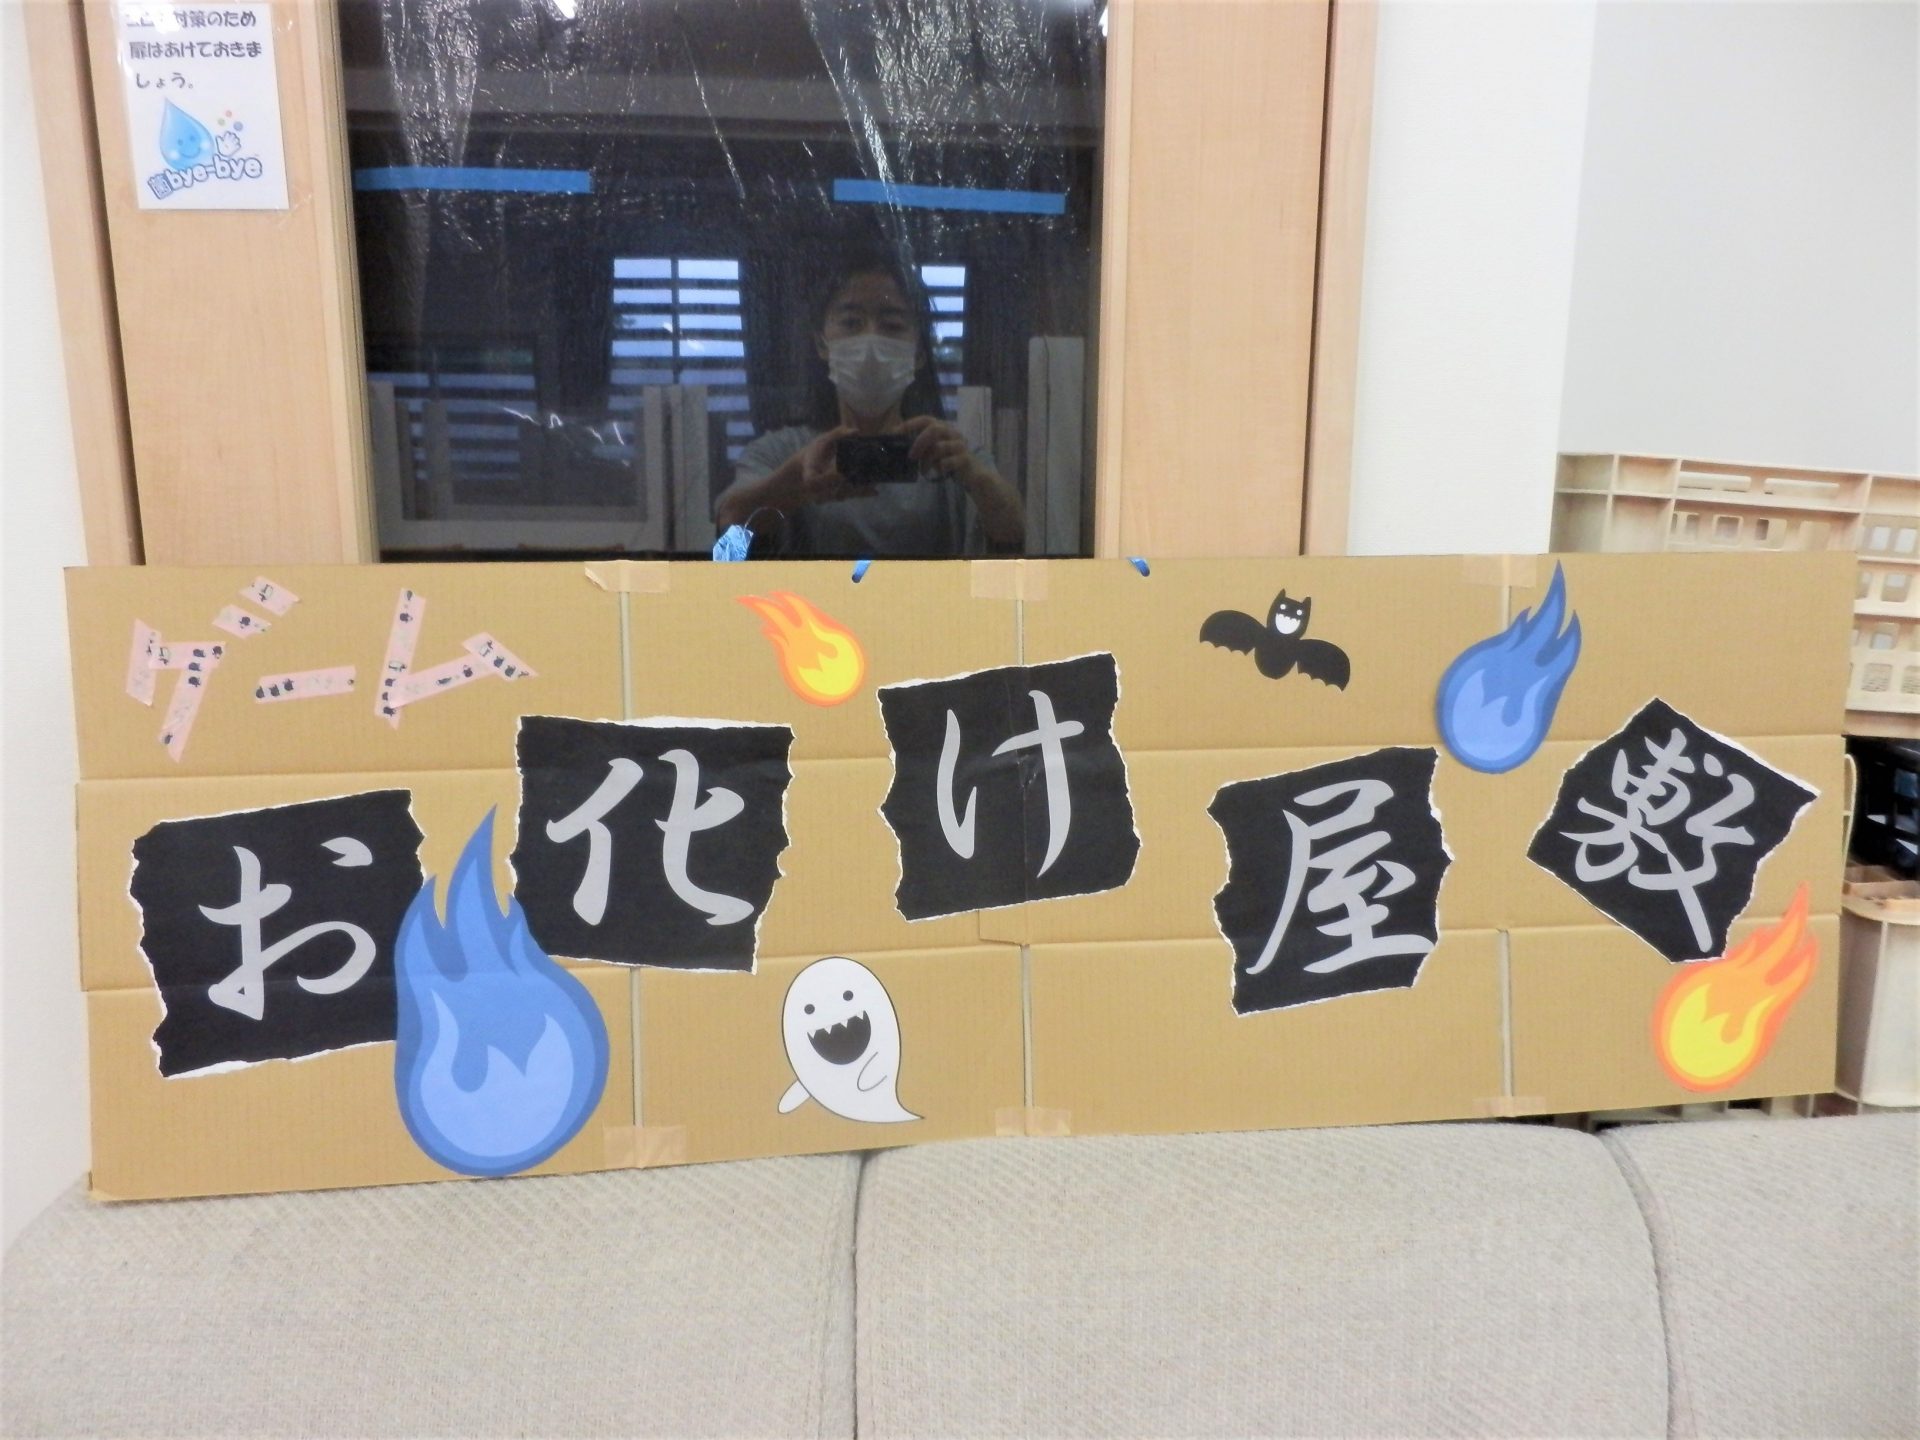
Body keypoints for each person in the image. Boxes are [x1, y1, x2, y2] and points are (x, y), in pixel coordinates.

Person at [713, 252, 1025, 556]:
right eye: (851, 322)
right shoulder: (780, 452)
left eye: (892, 325)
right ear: (822, 342)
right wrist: (791, 483)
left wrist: (975, 476)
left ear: (919, 353)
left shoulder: (946, 453)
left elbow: (1015, 532)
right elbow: (728, 535)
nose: (870, 342)